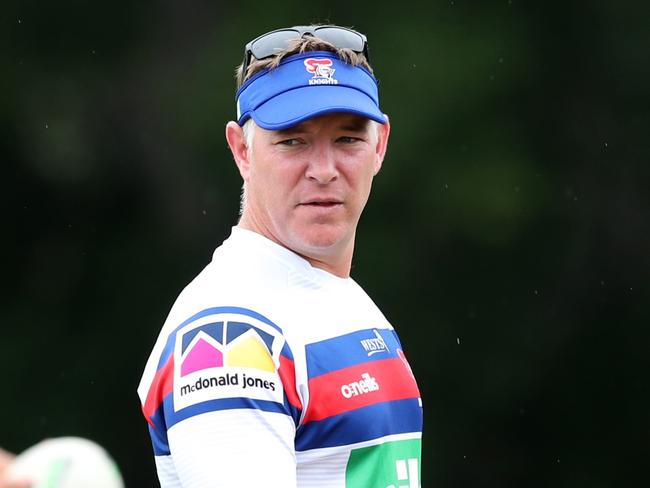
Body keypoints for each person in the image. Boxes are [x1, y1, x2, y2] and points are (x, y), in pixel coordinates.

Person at [138, 24, 423, 487]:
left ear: (380, 146)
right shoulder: (228, 334)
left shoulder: (332, 295)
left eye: (348, 139)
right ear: (241, 151)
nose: (325, 170)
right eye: (293, 141)